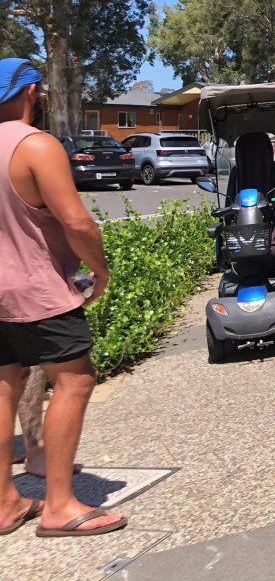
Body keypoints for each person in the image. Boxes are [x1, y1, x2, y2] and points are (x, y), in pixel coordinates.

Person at [0, 58, 126, 537]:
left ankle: (6, 502)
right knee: (75, 380)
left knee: (4, 383)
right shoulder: (36, 145)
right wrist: (99, 268)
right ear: (32, 91)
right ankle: (58, 506)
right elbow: (76, 222)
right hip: (35, 287)